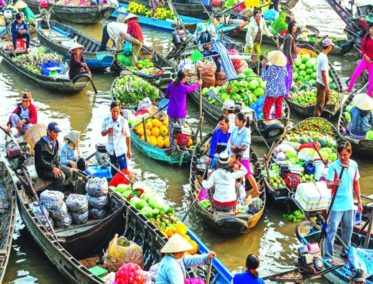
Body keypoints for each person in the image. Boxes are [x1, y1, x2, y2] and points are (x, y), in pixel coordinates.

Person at [324, 141, 362, 260]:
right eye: (340, 154)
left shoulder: (354, 165)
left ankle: (345, 251)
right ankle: (328, 256)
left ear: (350, 154)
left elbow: (356, 184)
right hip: (336, 204)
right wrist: (334, 183)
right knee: (331, 230)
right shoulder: (334, 166)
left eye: (345, 155)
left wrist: (359, 202)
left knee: (348, 229)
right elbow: (328, 185)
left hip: (349, 204)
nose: (342, 157)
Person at [165, 71, 201, 149]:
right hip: (180, 113)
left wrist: (173, 97)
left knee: (171, 131)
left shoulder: (171, 85)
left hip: (171, 111)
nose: (186, 79)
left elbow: (166, 96)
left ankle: (172, 147)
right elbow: (192, 88)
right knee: (182, 131)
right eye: (185, 78)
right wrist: (199, 83)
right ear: (183, 78)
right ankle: (180, 147)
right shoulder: (183, 87)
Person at [226, 112, 259, 196]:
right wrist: (230, 150)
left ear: (241, 122)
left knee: (247, 174)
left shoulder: (246, 131)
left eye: (236, 119)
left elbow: (245, 146)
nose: (235, 121)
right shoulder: (235, 130)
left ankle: (257, 190)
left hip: (242, 156)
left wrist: (236, 148)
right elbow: (230, 142)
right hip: (233, 155)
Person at [34, 122, 72, 191]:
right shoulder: (39, 145)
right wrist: (52, 168)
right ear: (49, 132)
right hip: (43, 170)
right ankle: (51, 192)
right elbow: (40, 162)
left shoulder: (55, 142)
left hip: (53, 165)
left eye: (58, 132)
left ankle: (58, 185)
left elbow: (56, 157)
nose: (57, 134)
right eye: (55, 132)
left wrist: (57, 166)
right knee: (61, 176)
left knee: (69, 171)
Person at [101, 101, 132, 176]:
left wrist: (129, 151)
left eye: (117, 111)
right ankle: (114, 183)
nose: (115, 113)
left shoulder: (123, 121)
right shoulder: (106, 120)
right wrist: (107, 131)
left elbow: (128, 137)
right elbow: (102, 133)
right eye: (113, 111)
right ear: (110, 110)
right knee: (114, 170)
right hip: (111, 150)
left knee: (124, 170)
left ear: (119, 111)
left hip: (121, 150)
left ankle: (125, 183)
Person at [346, 24, 373, 97]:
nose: (372, 30)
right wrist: (365, 56)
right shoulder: (367, 37)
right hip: (365, 60)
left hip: (372, 63)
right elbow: (362, 48)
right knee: (355, 74)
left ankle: (369, 94)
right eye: (371, 28)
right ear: (369, 29)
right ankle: (349, 89)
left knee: (371, 81)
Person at [261, 50, 288, 119]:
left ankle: (266, 121)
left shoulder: (272, 68)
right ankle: (279, 120)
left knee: (266, 109)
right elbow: (286, 75)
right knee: (279, 107)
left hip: (272, 92)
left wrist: (263, 67)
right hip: (281, 91)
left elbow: (264, 78)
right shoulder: (283, 68)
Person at [314, 38, 334, 117]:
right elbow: (323, 73)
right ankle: (316, 117)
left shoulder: (321, 55)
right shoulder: (324, 58)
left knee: (326, 98)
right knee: (320, 103)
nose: (331, 48)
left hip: (320, 82)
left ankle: (320, 113)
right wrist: (326, 86)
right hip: (322, 83)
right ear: (329, 47)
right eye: (331, 46)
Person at [282, 20, 297, 97]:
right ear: (291, 26)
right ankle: (285, 94)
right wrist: (291, 63)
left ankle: (285, 93)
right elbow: (288, 52)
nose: (295, 28)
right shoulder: (289, 37)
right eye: (294, 26)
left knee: (287, 77)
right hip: (288, 61)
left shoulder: (289, 35)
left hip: (287, 60)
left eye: (296, 26)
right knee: (288, 78)